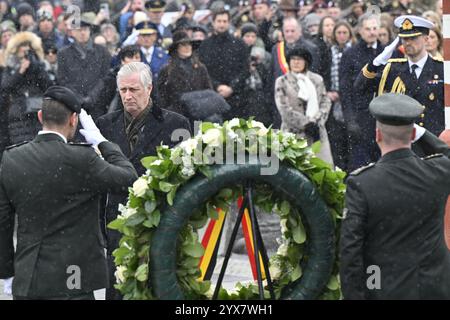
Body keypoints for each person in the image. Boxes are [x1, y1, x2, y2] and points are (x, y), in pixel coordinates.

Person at [0, 86, 138, 300]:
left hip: (31, 276)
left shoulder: (11, 159)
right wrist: (101, 141)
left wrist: (7, 272)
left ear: (39, 116)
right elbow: (129, 178)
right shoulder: (84, 159)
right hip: (76, 276)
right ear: (74, 120)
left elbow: (3, 222)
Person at [96, 62, 191, 300]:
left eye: (134, 90)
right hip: (117, 220)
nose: (128, 96)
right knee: (117, 288)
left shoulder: (176, 125)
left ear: (149, 89)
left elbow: (183, 178)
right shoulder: (105, 125)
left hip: (158, 221)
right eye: (123, 90)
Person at [340, 93, 450, 299]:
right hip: (435, 289)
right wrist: (423, 135)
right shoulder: (438, 171)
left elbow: (351, 252)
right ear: (412, 135)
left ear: (377, 135)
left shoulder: (362, 183)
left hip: (387, 289)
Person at [355, 15, 444, 137]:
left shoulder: (441, 69)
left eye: (413, 38)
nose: (408, 43)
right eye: (404, 39)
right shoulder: (393, 69)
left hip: (432, 140)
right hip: (401, 140)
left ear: (426, 39)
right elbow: (360, 86)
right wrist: (377, 62)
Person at [274, 47, 333, 165]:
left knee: (321, 170)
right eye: (293, 59)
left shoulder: (317, 79)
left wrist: (316, 122)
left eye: (300, 59)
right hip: (292, 135)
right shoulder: (282, 81)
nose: (296, 62)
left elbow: (325, 102)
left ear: (306, 62)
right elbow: (283, 108)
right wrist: (306, 123)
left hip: (317, 134)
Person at [157, 31, 212, 117]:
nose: (187, 47)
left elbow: (208, 91)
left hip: (198, 112)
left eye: (189, 44)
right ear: (176, 48)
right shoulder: (167, 70)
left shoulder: (201, 68)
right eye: (183, 44)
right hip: (176, 115)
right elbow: (161, 95)